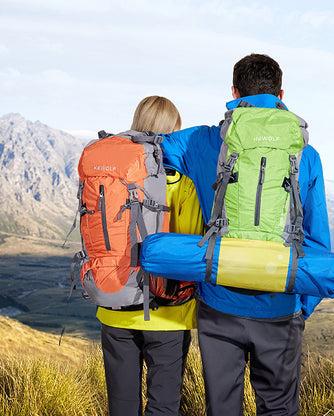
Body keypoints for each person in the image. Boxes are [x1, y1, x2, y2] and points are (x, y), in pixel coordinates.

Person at [159, 54, 331, 416]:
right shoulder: (306, 154)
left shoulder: (203, 142)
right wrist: (301, 306)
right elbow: (318, 239)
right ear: (281, 93)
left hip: (219, 301)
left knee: (222, 407)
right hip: (280, 303)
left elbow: (155, 147)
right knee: (280, 408)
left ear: (234, 92)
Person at [97, 96, 204, 416]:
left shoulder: (110, 179)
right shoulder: (181, 181)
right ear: (174, 130)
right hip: (167, 312)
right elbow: (193, 246)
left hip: (115, 303)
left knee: (122, 405)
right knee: (164, 404)